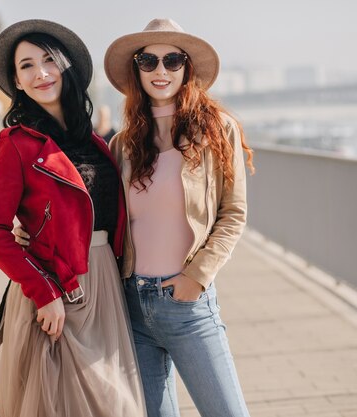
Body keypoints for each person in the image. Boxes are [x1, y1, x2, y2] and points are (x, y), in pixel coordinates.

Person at [0, 19, 146, 417]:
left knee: (116, 402)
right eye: (27, 66)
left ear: (65, 66)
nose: (41, 73)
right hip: (57, 290)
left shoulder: (94, 140)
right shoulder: (17, 144)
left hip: (105, 281)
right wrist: (44, 291)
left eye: (49, 60)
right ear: (17, 82)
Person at [104, 18, 255, 417]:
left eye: (172, 60)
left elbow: (233, 213)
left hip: (188, 305)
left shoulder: (217, 131)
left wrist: (196, 277)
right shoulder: (123, 144)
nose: (160, 71)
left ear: (186, 67)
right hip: (133, 306)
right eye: (147, 60)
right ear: (136, 69)